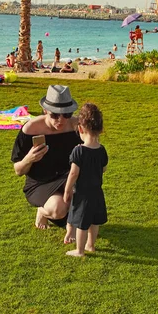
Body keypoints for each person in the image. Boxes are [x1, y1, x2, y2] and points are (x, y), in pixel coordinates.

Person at [11, 85, 82, 231]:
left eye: (67, 114)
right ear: (45, 111)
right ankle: (42, 212)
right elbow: (18, 170)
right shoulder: (31, 129)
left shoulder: (76, 127)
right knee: (57, 209)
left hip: (68, 178)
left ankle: (70, 223)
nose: (61, 120)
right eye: (55, 115)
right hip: (40, 182)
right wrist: (29, 159)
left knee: (84, 193)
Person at [63, 103, 108, 257]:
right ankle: (91, 245)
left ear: (80, 129)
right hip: (97, 192)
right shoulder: (101, 150)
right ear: (100, 129)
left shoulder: (79, 150)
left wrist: (67, 190)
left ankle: (79, 250)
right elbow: (104, 169)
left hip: (82, 194)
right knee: (94, 222)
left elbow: (73, 173)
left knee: (82, 223)